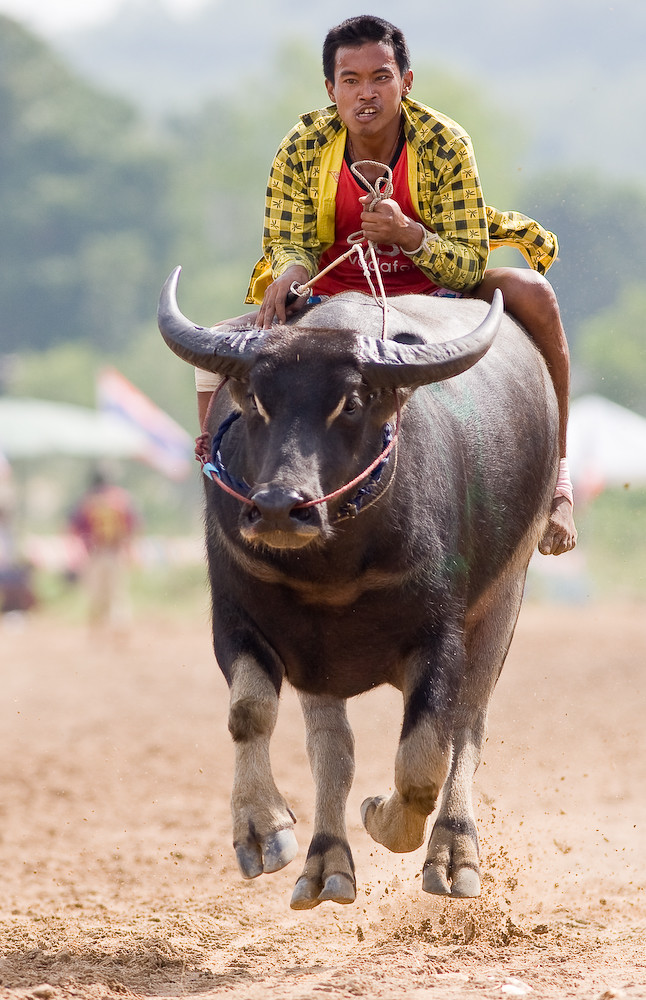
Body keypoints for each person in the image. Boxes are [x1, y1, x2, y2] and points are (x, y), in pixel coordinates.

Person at [195, 14, 576, 556]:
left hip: (431, 294)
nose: (365, 93)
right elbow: (288, 239)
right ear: (331, 89)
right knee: (214, 349)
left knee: (534, 293)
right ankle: (216, 475)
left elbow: (468, 262)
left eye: (381, 77)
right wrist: (293, 271)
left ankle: (560, 478)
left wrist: (410, 236)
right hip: (328, 302)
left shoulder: (443, 144)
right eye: (350, 80)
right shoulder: (303, 147)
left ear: (406, 82)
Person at [69, 471, 139, 633]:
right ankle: (120, 627)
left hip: (95, 553)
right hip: (115, 553)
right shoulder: (121, 499)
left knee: (96, 595)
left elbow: (74, 528)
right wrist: (129, 550)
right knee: (117, 593)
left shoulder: (87, 501)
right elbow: (132, 526)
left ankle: (97, 630)